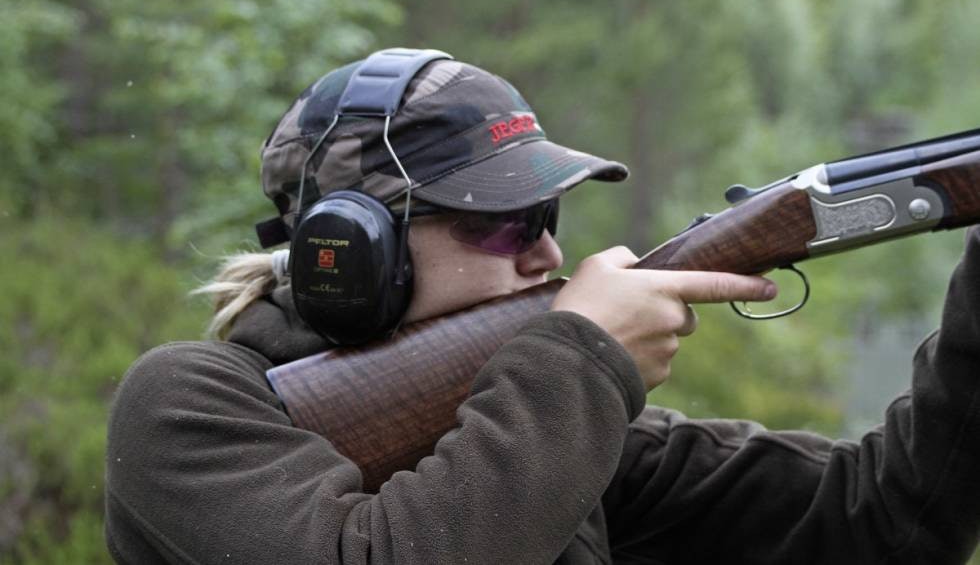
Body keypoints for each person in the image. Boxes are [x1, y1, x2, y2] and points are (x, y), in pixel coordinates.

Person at [105, 50, 980, 564]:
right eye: (507, 225)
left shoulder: (541, 423)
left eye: (548, 218)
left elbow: (890, 517)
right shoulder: (189, 407)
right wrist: (582, 361)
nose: (550, 255)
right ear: (356, 247)